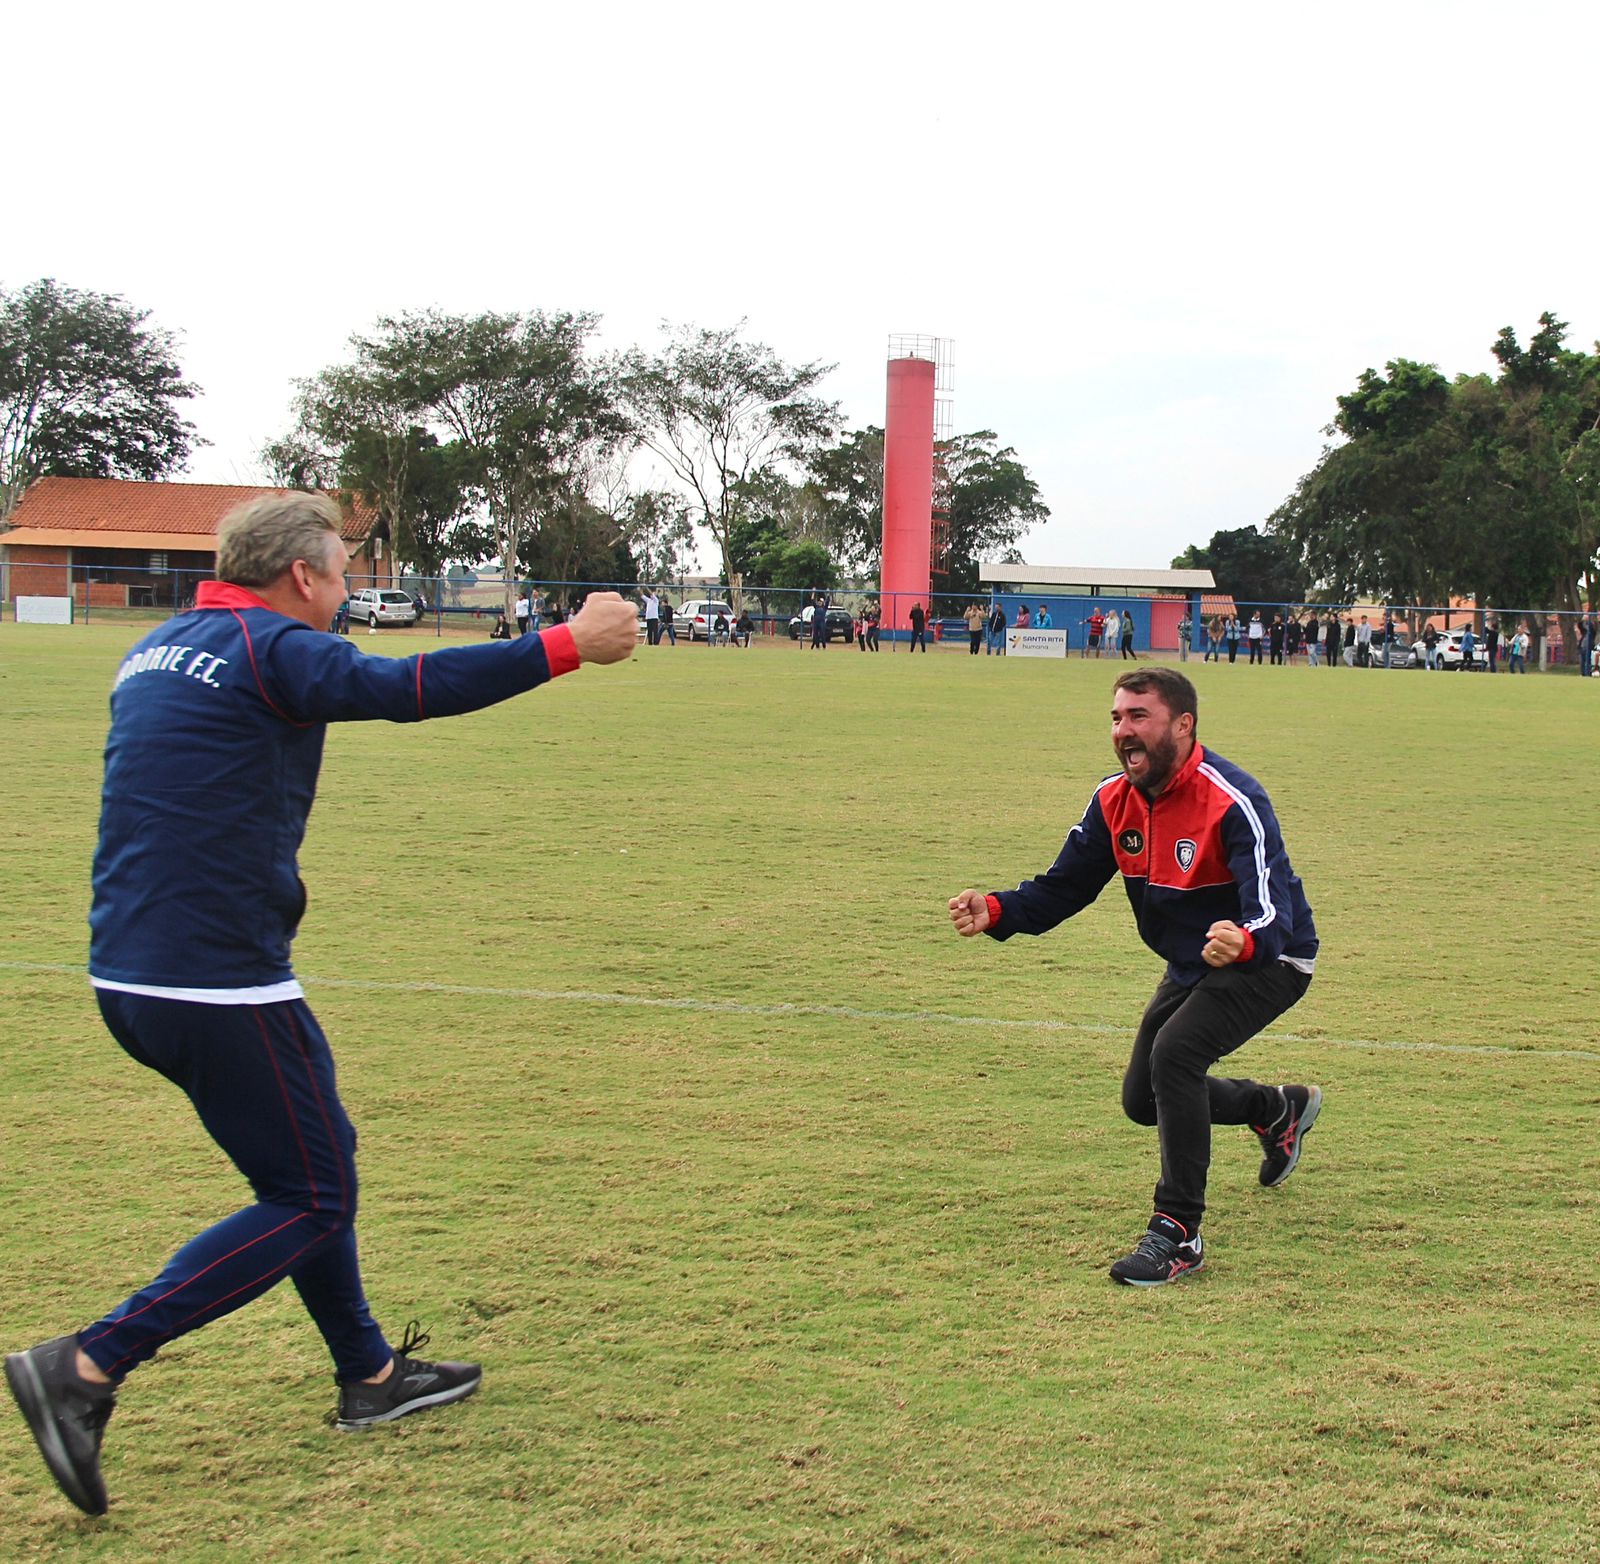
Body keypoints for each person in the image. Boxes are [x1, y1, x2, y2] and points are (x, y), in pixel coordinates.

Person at [1, 494, 639, 1518]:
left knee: (309, 1165)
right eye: (341, 573)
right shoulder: (268, 646)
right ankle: (85, 1364)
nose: (346, 592)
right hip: (216, 980)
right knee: (312, 1195)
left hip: (131, 968)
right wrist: (565, 644)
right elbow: (406, 687)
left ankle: (371, 1376)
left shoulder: (162, 645)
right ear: (302, 576)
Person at [947, 666, 1320, 1287]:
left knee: (1175, 1056)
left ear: (1183, 724)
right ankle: (1274, 1109)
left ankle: (1178, 1234)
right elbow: (1064, 886)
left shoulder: (1233, 799)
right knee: (1143, 1100)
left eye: (1138, 716)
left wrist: (1247, 938)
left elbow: (1273, 907)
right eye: (1117, 718)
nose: (1124, 731)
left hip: (1272, 958)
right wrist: (1000, 910)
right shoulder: (1113, 799)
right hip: (1194, 961)